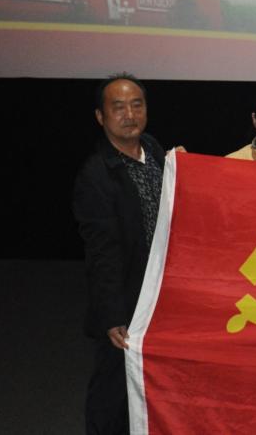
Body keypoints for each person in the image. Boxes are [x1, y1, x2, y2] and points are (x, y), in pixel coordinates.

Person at [72, 74, 166, 435]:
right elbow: (102, 252)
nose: (130, 115)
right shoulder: (96, 176)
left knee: (148, 381)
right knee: (112, 387)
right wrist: (111, 314)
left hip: (157, 291)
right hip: (126, 299)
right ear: (101, 116)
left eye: (137, 105)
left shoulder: (153, 150)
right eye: (119, 107)